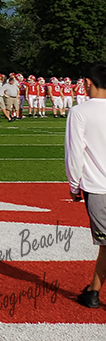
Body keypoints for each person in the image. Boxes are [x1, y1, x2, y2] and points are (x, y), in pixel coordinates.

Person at [66, 62, 106, 309]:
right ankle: (92, 290)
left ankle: (93, 292)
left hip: (98, 187)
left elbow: (75, 154)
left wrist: (73, 186)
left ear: (87, 83)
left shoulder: (80, 112)